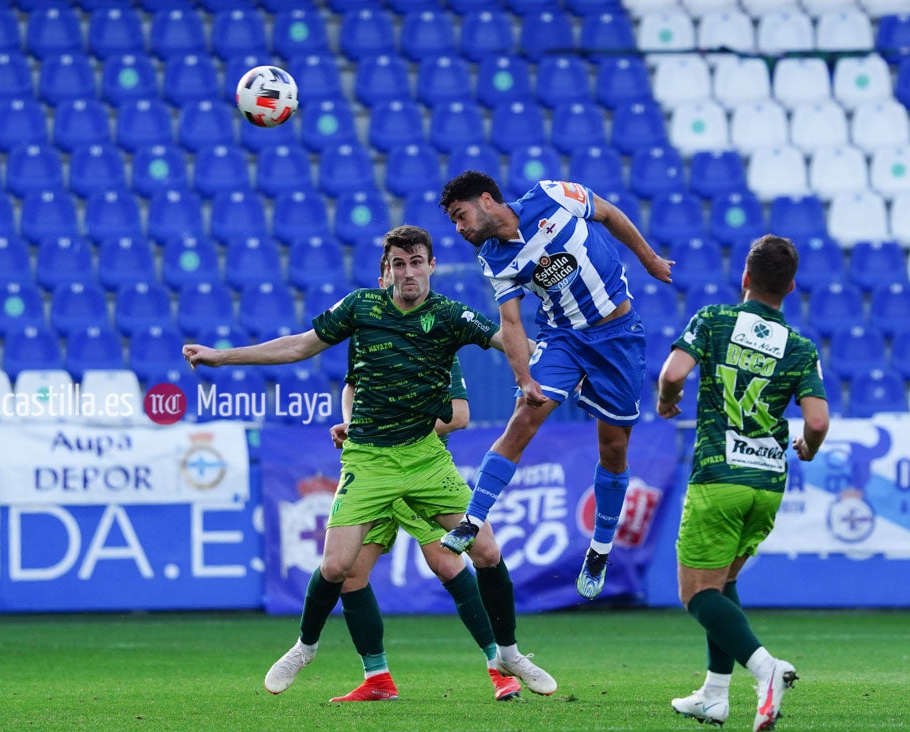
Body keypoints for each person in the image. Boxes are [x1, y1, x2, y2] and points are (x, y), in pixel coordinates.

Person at [182, 225, 556, 700]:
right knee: (338, 567)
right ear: (388, 270)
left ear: (431, 265)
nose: (407, 273)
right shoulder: (361, 309)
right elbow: (300, 345)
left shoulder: (450, 317)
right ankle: (305, 647)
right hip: (371, 458)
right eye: (398, 264)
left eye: (416, 262)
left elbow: (507, 340)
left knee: (484, 552)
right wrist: (224, 357)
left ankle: (509, 654)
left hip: (424, 457)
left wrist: (556, 368)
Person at [437, 171, 673, 600]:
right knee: (523, 418)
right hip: (563, 339)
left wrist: (649, 258)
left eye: (460, 215)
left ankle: (600, 549)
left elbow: (609, 213)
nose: (459, 228)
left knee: (614, 448)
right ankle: (472, 520)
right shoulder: (493, 258)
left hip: (617, 335)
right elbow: (510, 322)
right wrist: (524, 377)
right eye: (454, 222)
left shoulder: (551, 195)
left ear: (486, 200)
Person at [324, 257, 522, 703]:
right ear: (383, 282)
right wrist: (355, 427)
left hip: (418, 473)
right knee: (350, 574)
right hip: (373, 473)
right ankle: (377, 678)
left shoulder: (435, 343)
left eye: (411, 267)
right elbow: (351, 390)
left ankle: (500, 667)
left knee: (449, 562)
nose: (399, 279)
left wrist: (395, 432)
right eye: (392, 272)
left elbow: (461, 415)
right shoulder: (369, 341)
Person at [655, 234, 830, 732]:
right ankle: (714, 694)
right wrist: (808, 449)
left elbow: (673, 372)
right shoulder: (800, 347)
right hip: (769, 481)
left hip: (719, 476)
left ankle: (765, 667)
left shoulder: (714, 320)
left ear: (746, 278)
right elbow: (816, 423)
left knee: (695, 594)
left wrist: (669, 400)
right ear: (791, 286)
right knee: (724, 582)